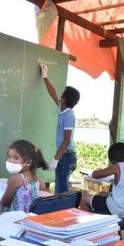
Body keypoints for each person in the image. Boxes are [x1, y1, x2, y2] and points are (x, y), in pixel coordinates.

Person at [79, 142, 124, 224]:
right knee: (102, 193)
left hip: (120, 212)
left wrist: (101, 169)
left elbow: (95, 175)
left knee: (84, 197)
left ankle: (86, 228)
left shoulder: (118, 166)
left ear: (114, 161)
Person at [39, 63, 80, 194]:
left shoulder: (68, 114)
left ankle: (62, 213)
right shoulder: (63, 110)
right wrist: (45, 76)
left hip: (66, 157)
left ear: (65, 99)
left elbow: (67, 140)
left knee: (60, 192)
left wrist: (55, 159)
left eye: (62, 95)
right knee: (60, 189)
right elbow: (53, 93)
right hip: (64, 156)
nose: (59, 96)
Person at [0, 139, 47, 213]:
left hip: (15, 219)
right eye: (9, 156)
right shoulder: (39, 180)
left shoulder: (15, 179)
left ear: (28, 162)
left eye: (16, 158)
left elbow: (5, 203)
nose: (10, 160)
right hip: (29, 219)